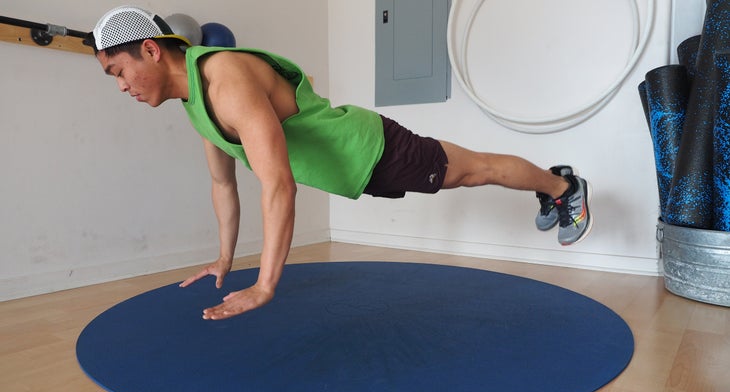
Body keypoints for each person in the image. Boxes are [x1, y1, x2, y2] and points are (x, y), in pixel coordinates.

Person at [85, 6, 592, 320]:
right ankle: (555, 185)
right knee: (472, 169)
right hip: (356, 168)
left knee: (474, 169)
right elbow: (223, 185)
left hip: (371, 149)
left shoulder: (225, 79)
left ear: (150, 50)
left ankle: (562, 187)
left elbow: (279, 184)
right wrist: (224, 259)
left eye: (119, 71)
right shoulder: (194, 102)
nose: (122, 86)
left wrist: (265, 285)